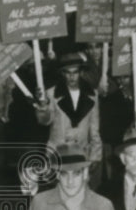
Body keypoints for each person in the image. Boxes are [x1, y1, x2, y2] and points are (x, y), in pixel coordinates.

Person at [34, 52, 102, 184]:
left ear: (81, 72)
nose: (71, 76)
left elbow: (94, 128)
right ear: (62, 73)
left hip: (81, 153)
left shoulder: (92, 94)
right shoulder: (51, 93)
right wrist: (42, 106)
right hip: (57, 154)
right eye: (67, 72)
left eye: (75, 72)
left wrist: (95, 156)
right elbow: (45, 121)